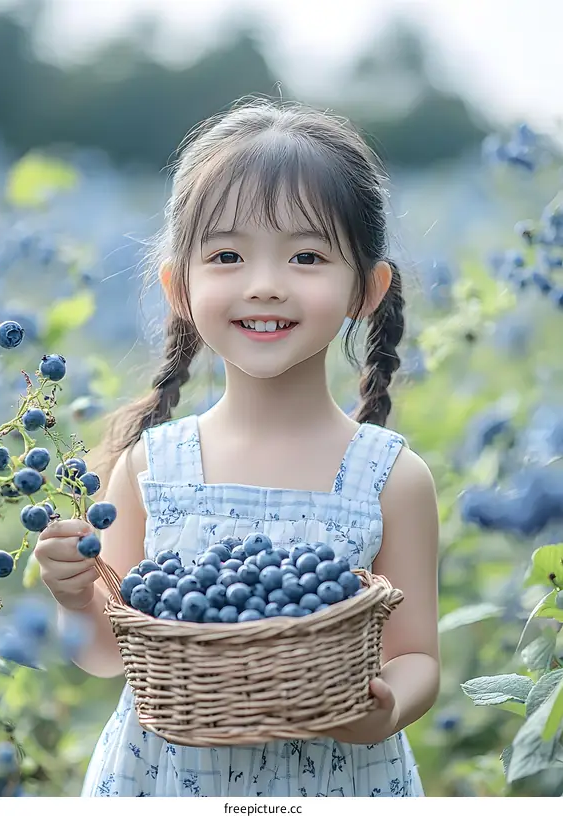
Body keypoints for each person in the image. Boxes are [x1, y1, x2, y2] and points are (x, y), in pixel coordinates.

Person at [35, 97, 440, 798]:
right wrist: (75, 598)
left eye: (307, 255)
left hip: (337, 781)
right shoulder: (149, 466)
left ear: (366, 289)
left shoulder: (392, 476)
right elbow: (110, 655)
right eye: (226, 254)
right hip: (168, 782)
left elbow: (417, 656)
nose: (264, 284)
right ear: (179, 287)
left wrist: (386, 709)